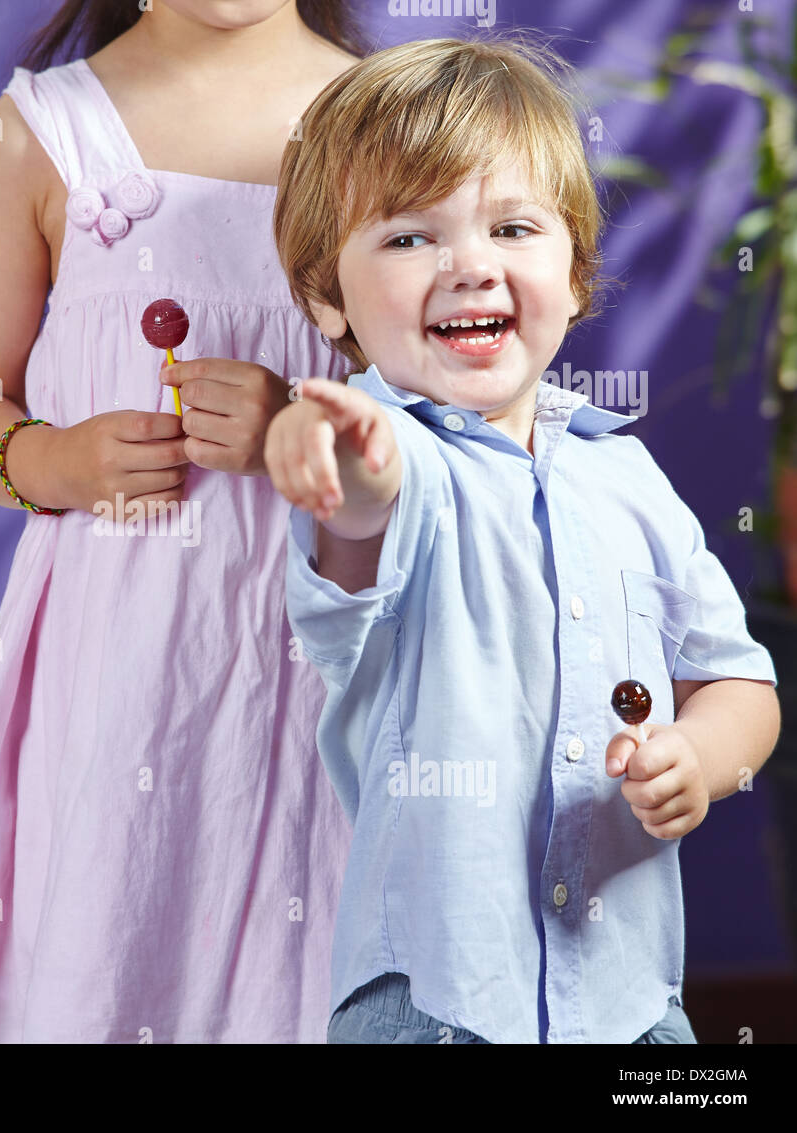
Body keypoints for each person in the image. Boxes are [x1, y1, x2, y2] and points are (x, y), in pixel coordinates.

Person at [264, 35, 782, 1044]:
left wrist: (697, 753)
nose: (469, 264)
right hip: (435, 996)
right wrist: (339, 452)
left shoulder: (625, 474)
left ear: (576, 275)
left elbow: (739, 683)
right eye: (408, 237)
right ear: (327, 295)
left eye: (511, 226)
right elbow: (363, 507)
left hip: (633, 1002)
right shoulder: (392, 456)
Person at [0, 0, 363, 1042]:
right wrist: (54, 458)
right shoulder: (42, 129)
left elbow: (449, 406)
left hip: (328, 645)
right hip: (125, 667)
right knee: (117, 917)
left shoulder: (381, 119)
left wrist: (297, 420)